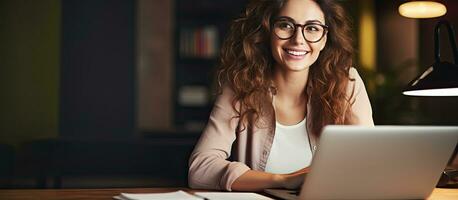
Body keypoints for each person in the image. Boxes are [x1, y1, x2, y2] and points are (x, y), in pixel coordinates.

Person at [188, 0, 374, 191]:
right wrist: (282, 180)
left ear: (325, 38)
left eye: (312, 28)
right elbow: (201, 168)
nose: (298, 40)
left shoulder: (346, 83)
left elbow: (371, 162)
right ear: (268, 31)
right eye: (285, 25)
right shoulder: (240, 85)